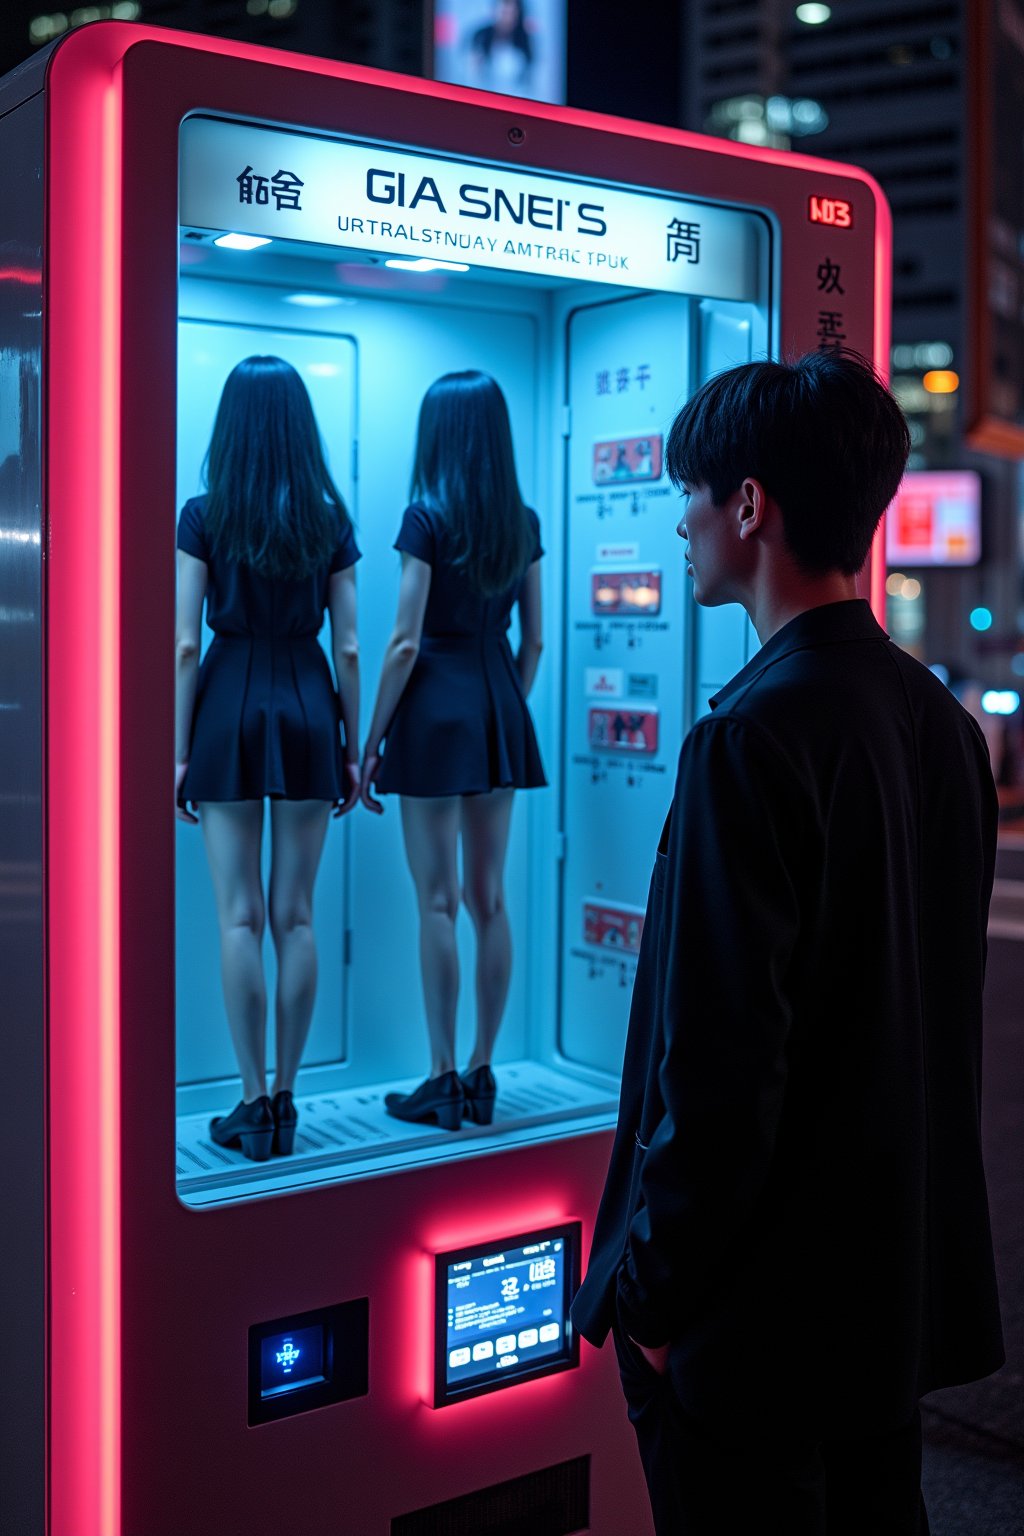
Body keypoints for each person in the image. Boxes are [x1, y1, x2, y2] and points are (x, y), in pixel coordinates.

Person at [570, 350, 1003, 1535]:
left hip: (751, 1330)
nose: (678, 522)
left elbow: (716, 1073)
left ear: (748, 505)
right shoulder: (938, 723)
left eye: (690, 494)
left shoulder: (748, 740)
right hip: (884, 1306)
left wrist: (650, 1300)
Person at [175, 356, 361, 1162]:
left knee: (239, 917)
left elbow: (185, 641)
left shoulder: (204, 514)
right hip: (309, 704)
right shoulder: (329, 519)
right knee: (298, 915)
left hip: (226, 702)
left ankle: (250, 1103)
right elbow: (349, 645)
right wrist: (356, 744)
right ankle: (289, 1097)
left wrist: (178, 751)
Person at [360, 370, 545, 1131]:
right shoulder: (522, 520)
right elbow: (533, 637)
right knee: (489, 897)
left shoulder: (425, 517)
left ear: (437, 433)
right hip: (498, 697)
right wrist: (503, 703)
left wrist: (369, 740)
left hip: (434, 706)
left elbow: (403, 640)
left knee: (434, 899)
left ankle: (439, 1077)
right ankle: (481, 1071)